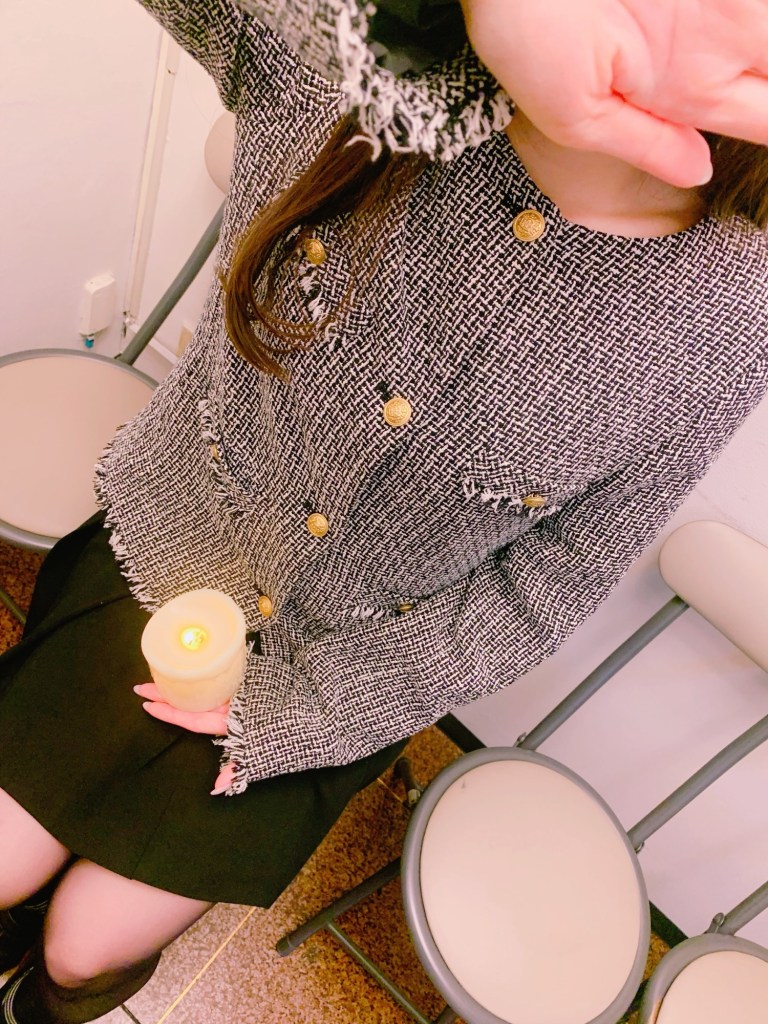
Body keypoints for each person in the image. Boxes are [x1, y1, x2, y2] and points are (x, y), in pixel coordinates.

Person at [1, 0, 767, 1019]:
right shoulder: (354, 63)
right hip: (165, 542)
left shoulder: (733, 312)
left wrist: (304, 711)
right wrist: (455, 18)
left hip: (348, 672)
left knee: (81, 947)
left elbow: (540, 592)